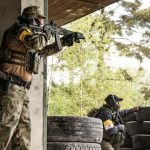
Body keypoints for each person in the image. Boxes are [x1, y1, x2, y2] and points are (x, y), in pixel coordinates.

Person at [0, 6, 84, 150]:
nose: (41, 23)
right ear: (32, 18)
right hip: (11, 87)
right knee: (5, 127)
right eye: (39, 19)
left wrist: (63, 42)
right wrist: (46, 33)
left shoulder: (30, 38)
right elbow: (36, 43)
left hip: (22, 89)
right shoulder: (19, 30)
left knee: (23, 131)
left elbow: (42, 51)